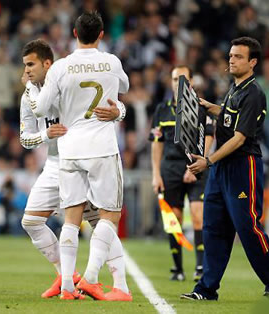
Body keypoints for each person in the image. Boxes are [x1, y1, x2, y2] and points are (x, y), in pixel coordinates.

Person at [31, 11, 132, 301]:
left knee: (71, 221)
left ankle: (65, 287)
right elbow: (123, 87)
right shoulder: (112, 61)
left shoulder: (60, 67)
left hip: (70, 149)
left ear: (74, 34)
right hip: (101, 147)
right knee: (108, 217)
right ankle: (89, 279)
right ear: (101, 35)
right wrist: (118, 110)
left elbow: (40, 109)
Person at [181, 37, 269, 300]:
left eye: (238, 56)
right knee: (213, 227)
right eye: (230, 55)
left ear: (253, 62)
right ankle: (206, 289)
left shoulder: (254, 93)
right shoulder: (235, 88)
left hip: (243, 167)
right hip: (222, 168)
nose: (231, 59)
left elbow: (240, 137)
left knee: (248, 228)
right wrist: (211, 108)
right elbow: (231, 118)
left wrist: (208, 160)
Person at [149, 65, 214, 282]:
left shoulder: (201, 107)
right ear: (171, 82)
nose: (179, 83)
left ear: (192, 82)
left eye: (183, 79)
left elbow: (210, 137)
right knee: (173, 219)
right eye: (175, 79)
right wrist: (156, 174)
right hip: (170, 168)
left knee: (198, 215)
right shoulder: (162, 110)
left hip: (195, 167)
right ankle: (177, 268)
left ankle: (200, 267)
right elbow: (156, 144)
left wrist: (199, 163)